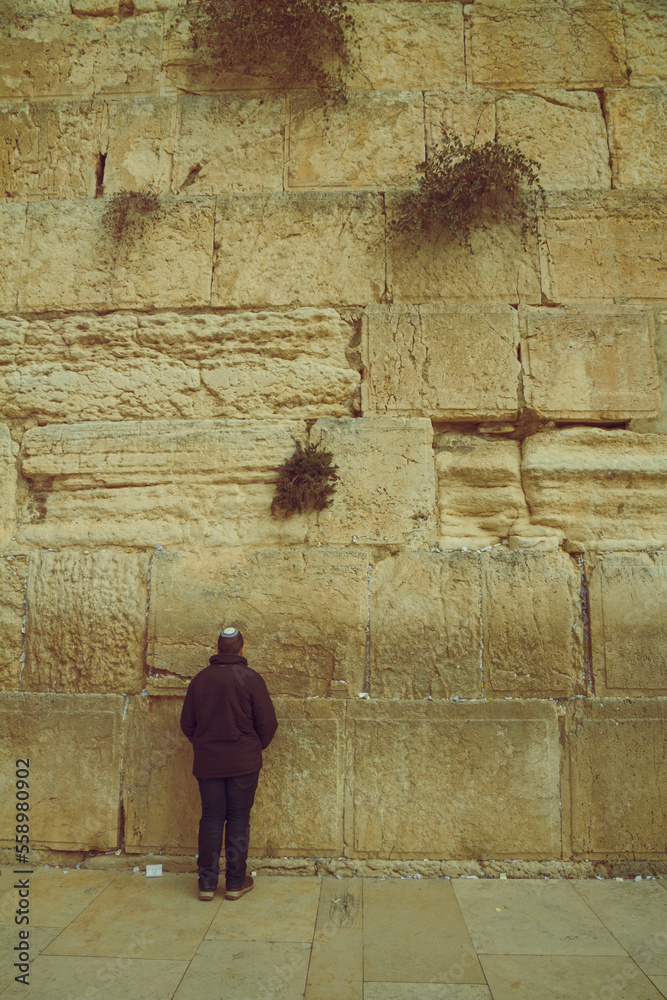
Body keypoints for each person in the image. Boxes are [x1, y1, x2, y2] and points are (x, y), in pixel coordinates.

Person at [180, 627, 278, 902]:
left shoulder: (200, 681)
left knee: (211, 817)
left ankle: (206, 884)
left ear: (218, 648)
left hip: (208, 764)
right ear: (241, 649)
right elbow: (268, 724)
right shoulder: (251, 679)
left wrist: (205, 745)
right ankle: (235, 883)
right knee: (238, 818)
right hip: (243, 763)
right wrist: (251, 748)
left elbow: (187, 723)